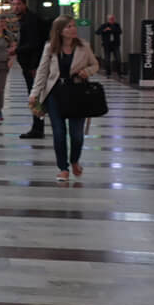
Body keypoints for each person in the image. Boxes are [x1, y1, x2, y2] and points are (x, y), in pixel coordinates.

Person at [28, 15, 99, 183]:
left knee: (77, 135)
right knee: (59, 133)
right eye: (68, 26)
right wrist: (34, 93)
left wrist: (87, 72)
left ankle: (74, 160)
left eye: (74, 26)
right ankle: (63, 168)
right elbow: (42, 72)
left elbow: (95, 65)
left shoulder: (84, 46)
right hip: (55, 93)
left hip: (77, 93)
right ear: (59, 30)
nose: (73, 29)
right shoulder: (50, 48)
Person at [15, 5, 50, 139]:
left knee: (35, 96)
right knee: (35, 96)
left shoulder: (31, 21)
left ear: (24, 5)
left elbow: (35, 44)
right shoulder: (27, 20)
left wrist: (33, 66)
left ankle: (38, 127)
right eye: (13, 4)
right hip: (30, 65)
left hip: (32, 66)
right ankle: (37, 126)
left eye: (17, 4)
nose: (15, 7)